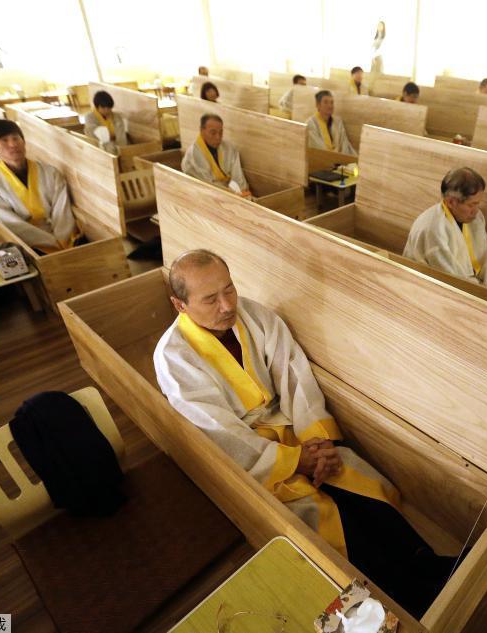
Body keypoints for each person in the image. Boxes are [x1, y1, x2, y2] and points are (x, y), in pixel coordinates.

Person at [154, 249, 458, 618]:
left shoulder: (256, 317)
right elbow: (218, 430)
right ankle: (399, 596)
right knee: (324, 515)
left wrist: (318, 440)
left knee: (353, 482)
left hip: (293, 428)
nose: (227, 305)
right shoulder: (173, 357)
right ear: (180, 305)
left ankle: (426, 563)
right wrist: (295, 461)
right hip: (252, 455)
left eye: (229, 289)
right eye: (210, 299)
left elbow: (294, 376)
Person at [403, 168, 487, 295]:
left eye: (478, 204)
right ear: (451, 202)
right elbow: (453, 281)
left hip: (472, 286)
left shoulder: (476, 218)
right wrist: (486, 296)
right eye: (471, 205)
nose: (476, 210)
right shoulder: (433, 229)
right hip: (429, 290)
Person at [0, 119, 80, 253]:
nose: (13, 144)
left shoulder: (50, 172)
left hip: (63, 240)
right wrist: (49, 242)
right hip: (25, 244)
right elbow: (9, 222)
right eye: (4, 140)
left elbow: (62, 212)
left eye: (16, 138)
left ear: (24, 141)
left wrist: (61, 241)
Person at [181, 114, 251, 198]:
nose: (218, 137)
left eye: (220, 132)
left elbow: (238, 176)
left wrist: (241, 191)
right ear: (202, 130)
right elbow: (207, 184)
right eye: (213, 133)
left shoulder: (230, 148)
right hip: (204, 195)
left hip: (232, 192)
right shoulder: (193, 154)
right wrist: (231, 194)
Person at [306, 90, 356, 155]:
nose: (330, 106)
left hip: (340, 158)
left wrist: (342, 158)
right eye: (326, 102)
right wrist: (333, 156)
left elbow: (344, 144)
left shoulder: (338, 122)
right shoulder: (311, 123)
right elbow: (317, 147)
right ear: (318, 105)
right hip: (321, 159)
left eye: (332, 102)